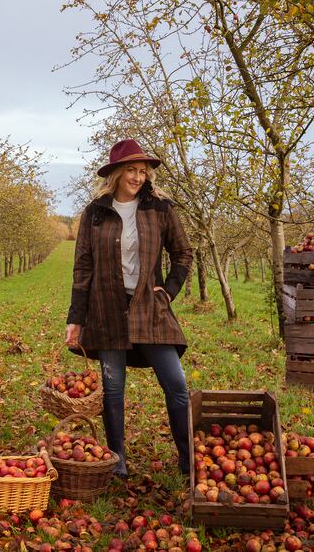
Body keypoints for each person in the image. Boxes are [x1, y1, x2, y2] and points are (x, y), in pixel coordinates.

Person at [65, 138, 194, 478]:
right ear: (116, 174)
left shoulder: (160, 208)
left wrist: (167, 292)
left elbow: (183, 253)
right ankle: (116, 458)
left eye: (142, 171)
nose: (138, 177)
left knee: (176, 384)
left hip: (149, 308)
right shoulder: (95, 213)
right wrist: (75, 319)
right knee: (113, 389)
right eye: (131, 171)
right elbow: (83, 268)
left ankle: (187, 458)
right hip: (107, 308)